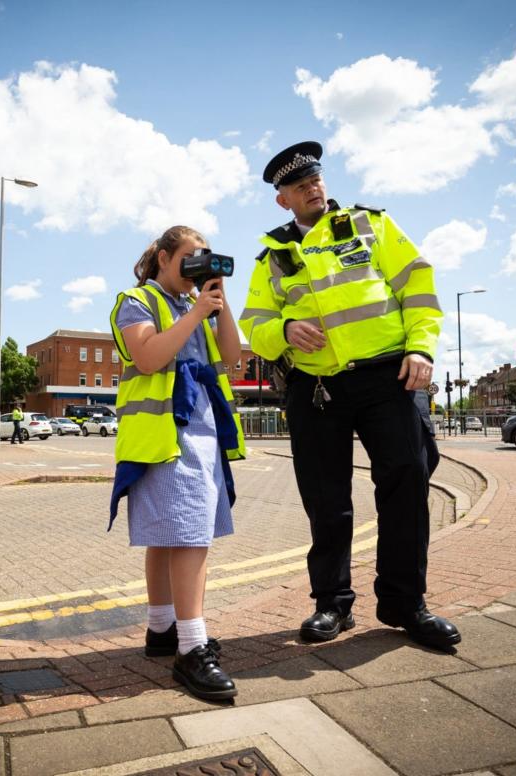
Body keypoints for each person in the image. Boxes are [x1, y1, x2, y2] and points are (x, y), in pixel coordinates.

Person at [238, 142, 458, 652]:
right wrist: (286, 329)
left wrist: (422, 347)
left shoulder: (372, 225)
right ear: (283, 201)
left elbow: (418, 287)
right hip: (316, 389)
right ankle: (332, 603)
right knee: (326, 500)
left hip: (389, 377)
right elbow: (256, 322)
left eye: (315, 179)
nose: (312, 187)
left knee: (405, 486)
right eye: (299, 186)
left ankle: (405, 604)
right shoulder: (273, 254)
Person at [109, 225, 245, 701]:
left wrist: (217, 304)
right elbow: (148, 357)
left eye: (202, 258)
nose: (196, 266)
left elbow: (232, 360)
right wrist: (196, 315)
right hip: (165, 433)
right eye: (189, 258)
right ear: (165, 258)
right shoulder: (137, 300)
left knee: (173, 536)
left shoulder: (195, 305)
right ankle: (191, 648)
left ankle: (162, 630)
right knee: (188, 536)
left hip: (199, 430)